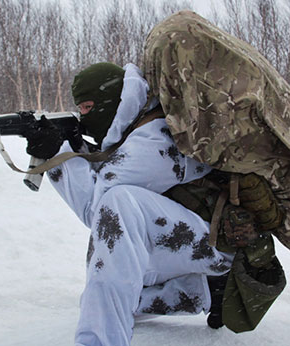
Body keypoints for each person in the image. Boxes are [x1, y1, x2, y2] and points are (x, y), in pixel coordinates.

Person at [25, 62, 234, 346]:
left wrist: (59, 154)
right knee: (98, 295)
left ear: (110, 101)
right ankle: (203, 290)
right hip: (193, 239)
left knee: (117, 209)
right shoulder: (138, 124)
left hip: (217, 245)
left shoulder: (152, 141)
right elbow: (106, 179)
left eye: (87, 107)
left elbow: (97, 208)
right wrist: (77, 148)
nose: (82, 117)